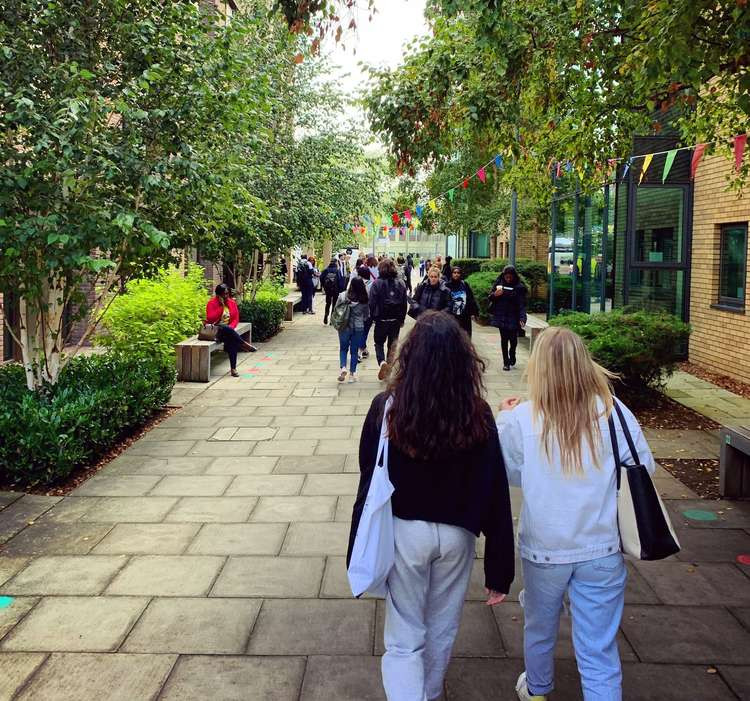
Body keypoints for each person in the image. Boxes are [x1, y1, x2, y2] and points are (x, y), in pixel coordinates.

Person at [349, 311, 515, 701]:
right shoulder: (478, 412)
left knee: (405, 635)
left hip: (405, 532)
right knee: (441, 628)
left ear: (411, 355)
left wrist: (357, 543)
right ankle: (428, 692)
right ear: (463, 359)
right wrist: (500, 567)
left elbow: (368, 479)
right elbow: (495, 487)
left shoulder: (386, 408)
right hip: (458, 535)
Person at [496, 326, 650, 701]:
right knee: (598, 648)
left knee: (539, 628)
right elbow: (644, 467)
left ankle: (536, 690)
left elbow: (509, 472)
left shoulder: (522, 419)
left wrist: (504, 418)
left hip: (544, 548)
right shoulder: (615, 413)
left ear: (539, 367)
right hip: (602, 547)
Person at [205, 284, 256, 377]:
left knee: (231, 339)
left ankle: (233, 368)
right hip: (216, 331)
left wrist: (231, 327)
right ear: (218, 294)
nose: (226, 296)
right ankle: (243, 343)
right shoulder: (211, 303)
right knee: (227, 330)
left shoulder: (232, 303)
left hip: (228, 330)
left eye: (227, 294)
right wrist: (221, 306)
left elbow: (236, 318)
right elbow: (210, 319)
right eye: (224, 294)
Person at [369, 258, 408, 381]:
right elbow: (404, 303)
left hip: (381, 319)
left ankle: (382, 363)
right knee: (392, 346)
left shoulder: (376, 283)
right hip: (395, 319)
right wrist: (402, 319)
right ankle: (389, 367)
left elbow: (372, 302)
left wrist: (373, 317)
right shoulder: (400, 283)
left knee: (379, 343)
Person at [489, 265, 527, 371]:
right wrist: (495, 295)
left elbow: (522, 305)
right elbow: (490, 297)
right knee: (504, 339)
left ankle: (512, 353)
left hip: (513, 316)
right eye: (506, 277)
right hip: (501, 315)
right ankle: (506, 362)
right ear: (504, 275)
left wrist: (522, 318)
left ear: (514, 276)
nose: (508, 279)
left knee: (513, 339)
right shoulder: (499, 284)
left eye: (510, 277)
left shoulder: (519, 287)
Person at [334, 276, 370, 383]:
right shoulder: (364, 299)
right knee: (354, 351)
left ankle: (343, 367)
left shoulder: (343, 296)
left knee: (343, 348)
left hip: (344, 326)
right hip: (358, 327)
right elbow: (366, 315)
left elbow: (337, 309)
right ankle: (352, 375)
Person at [445, 266, 479, 337]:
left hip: (464, 316)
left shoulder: (464, 284)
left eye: (458, 273)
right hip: (452, 316)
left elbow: (471, 298)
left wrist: (474, 312)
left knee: (465, 337)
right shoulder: (447, 286)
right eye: (454, 273)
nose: (456, 274)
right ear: (452, 274)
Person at [322, 257, 345, 325]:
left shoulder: (326, 270)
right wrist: (341, 290)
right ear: (336, 263)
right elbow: (340, 281)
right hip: (335, 289)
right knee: (334, 304)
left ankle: (326, 314)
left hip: (328, 289)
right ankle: (332, 320)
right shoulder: (337, 271)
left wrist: (324, 286)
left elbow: (321, 278)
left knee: (328, 303)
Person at [357, 267, 374, 360]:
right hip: (368, 312)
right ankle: (359, 352)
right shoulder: (371, 284)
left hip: (356, 311)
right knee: (364, 332)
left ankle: (364, 350)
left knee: (358, 332)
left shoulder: (354, 283)